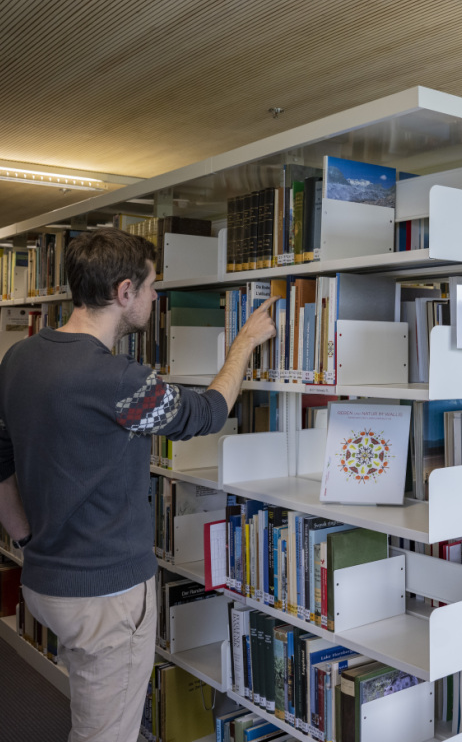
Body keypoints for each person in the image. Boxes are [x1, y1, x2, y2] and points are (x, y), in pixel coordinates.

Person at [0, 227, 277, 742]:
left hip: (45, 579)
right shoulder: (119, 380)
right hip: (105, 595)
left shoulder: (20, 357)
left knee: (91, 708)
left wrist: (24, 536)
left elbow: (0, 459)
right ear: (124, 291)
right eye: (151, 286)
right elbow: (207, 413)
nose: (155, 297)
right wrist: (243, 343)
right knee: (105, 733)